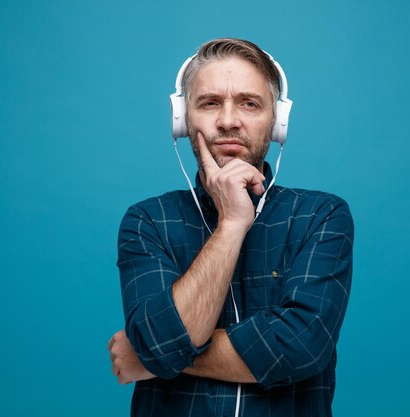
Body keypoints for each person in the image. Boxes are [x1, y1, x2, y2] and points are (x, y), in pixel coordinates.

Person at [108, 38, 354, 417]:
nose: (227, 120)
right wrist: (233, 223)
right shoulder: (148, 221)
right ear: (182, 118)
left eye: (249, 103)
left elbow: (300, 347)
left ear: (277, 121)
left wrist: (153, 356)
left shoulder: (321, 215)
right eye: (209, 103)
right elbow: (159, 343)